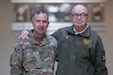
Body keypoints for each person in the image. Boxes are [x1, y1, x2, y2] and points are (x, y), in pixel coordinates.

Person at [18, 4, 108, 75]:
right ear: (71, 17)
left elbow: (101, 69)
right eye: (75, 15)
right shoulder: (61, 33)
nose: (79, 18)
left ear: (87, 17)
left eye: (82, 15)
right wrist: (29, 33)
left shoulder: (95, 39)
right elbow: (42, 40)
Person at [9, 10, 58, 75]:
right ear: (32, 23)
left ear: (48, 24)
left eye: (44, 21)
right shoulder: (22, 43)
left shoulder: (53, 42)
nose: (41, 25)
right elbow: (15, 70)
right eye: (38, 21)